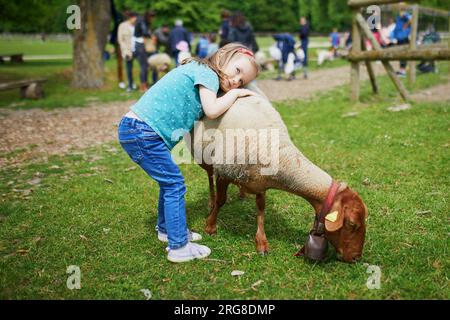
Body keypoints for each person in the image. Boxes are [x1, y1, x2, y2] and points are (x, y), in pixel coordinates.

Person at [117, 43, 259, 263]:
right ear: (222, 56)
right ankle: (179, 247)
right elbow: (212, 110)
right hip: (143, 132)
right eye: (237, 71)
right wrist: (237, 94)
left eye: (241, 81)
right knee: (175, 184)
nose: (235, 81)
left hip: (137, 129)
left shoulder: (199, 69)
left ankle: (167, 231)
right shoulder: (208, 75)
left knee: (168, 183)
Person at [134, 10, 156, 92]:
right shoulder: (142, 21)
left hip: (142, 45)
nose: (153, 20)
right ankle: (143, 86)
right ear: (149, 16)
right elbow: (145, 32)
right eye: (152, 18)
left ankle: (145, 84)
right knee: (143, 66)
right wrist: (151, 36)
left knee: (146, 66)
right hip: (140, 45)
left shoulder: (142, 21)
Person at [118, 11, 138, 92]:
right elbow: (120, 39)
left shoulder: (137, 25)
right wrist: (124, 50)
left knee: (143, 67)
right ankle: (130, 85)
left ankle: (143, 85)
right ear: (131, 17)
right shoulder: (123, 26)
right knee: (129, 68)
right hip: (128, 50)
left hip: (137, 49)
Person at [392, 10, 411, 77]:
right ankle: (402, 70)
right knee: (400, 55)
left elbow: (412, 19)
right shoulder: (398, 17)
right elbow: (397, 27)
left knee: (404, 55)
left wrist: (406, 24)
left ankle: (403, 71)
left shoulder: (406, 15)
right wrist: (393, 36)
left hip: (404, 38)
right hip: (399, 38)